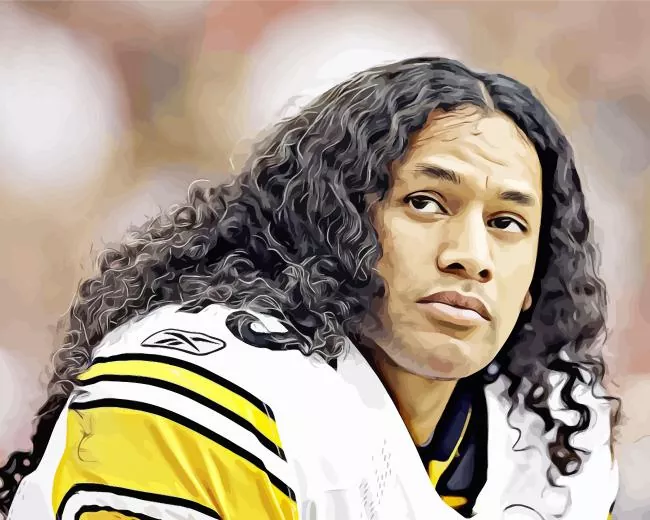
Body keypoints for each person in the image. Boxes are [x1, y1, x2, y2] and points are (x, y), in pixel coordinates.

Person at [1, 57, 619, 519]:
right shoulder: (208, 386)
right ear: (332, 222)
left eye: (507, 223)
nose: (471, 257)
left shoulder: (555, 439)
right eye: (426, 203)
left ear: (537, 275)